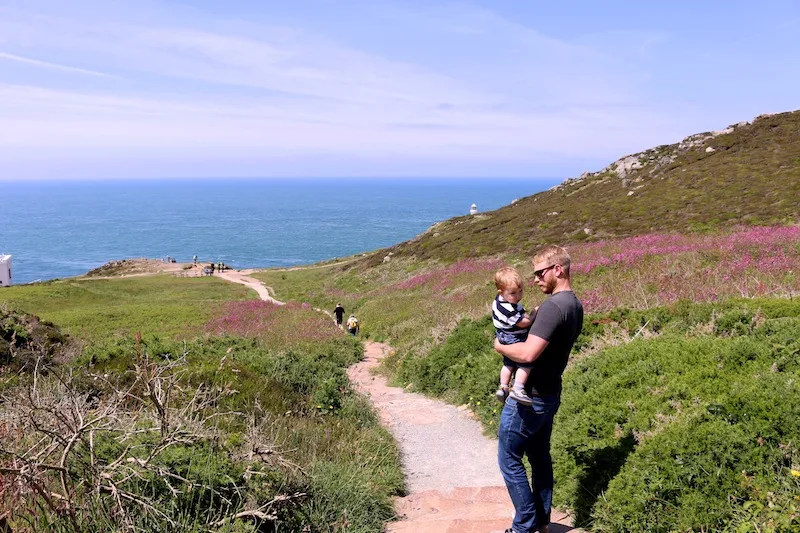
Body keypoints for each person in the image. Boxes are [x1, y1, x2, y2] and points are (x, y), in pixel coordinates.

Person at [494, 245, 583, 533]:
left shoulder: (553, 307)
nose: (535, 280)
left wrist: (499, 346)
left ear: (558, 269)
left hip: (529, 399)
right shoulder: (574, 304)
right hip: (550, 393)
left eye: (540, 273)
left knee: (509, 459)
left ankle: (524, 526)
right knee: (540, 458)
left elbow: (529, 354)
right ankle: (542, 523)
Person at [492, 266, 536, 406]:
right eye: (513, 293)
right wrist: (534, 315)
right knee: (525, 363)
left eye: (520, 291)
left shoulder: (501, 300)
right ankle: (518, 388)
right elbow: (523, 323)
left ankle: (503, 387)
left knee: (508, 363)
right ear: (501, 292)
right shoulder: (507, 308)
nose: (518, 296)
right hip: (512, 337)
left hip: (503, 336)